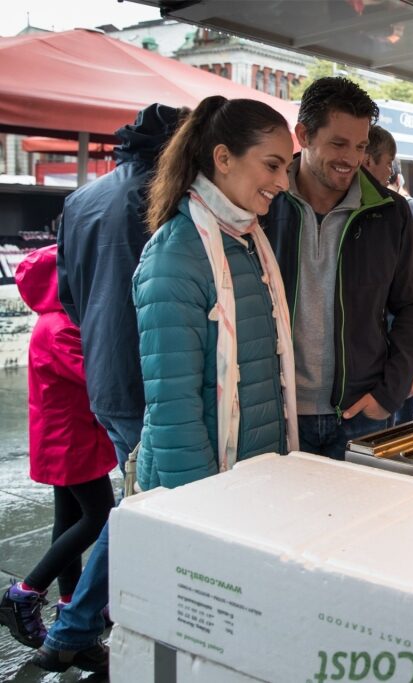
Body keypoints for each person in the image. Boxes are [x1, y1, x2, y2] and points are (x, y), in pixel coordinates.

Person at [33, 103, 183, 675]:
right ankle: (76, 624)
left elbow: (68, 296)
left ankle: (78, 622)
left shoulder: (80, 200)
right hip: (154, 372)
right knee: (143, 504)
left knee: (139, 499)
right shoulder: (167, 194)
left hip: (106, 374)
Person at [133, 95, 298, 490]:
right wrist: (203, 507)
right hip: (205, 490)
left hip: (252, 478)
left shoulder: (245, 242)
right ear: (223, 159)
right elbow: (174, 411)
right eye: (273, 166)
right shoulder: (175, 256)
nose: (284, 182)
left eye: (287, 168)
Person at [261, 77, 413, 456]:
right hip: (275, 412)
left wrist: (388, 394)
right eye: (338, 143)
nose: (351, 159)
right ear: (303, 134)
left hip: (361, 413)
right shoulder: (263, 204)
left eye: (359, 146)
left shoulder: (391, 213)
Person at [0, 246, 116, 651]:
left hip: (64, 439)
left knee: (67, 520)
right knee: (102, 517)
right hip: (72, 442)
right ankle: (26, 592)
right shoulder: (61, 327)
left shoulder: (52, 322)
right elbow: (95, 377)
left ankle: (71, 602)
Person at [362, 125, 413, 426]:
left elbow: (412, 305)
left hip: (384, 368)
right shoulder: (410, 209)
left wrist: (390, 391)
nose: (389, 171)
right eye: (388, 162)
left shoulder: (396, 211)